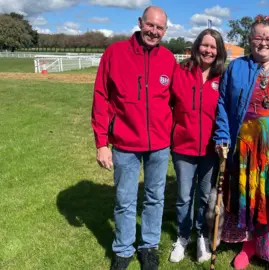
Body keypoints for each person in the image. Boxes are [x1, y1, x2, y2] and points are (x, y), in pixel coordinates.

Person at [91, 6, 176, 270]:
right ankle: (123, 249)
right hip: (125, 143)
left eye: (159, 28)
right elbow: (101, 97)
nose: (154, 31)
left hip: (159, 145)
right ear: (140, 23)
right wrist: (101, 143)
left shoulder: (168, 59)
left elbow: (175, 100)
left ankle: (148, 246)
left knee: (155, 197)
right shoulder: (114, 53)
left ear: (165, 30)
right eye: (150, 25)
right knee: (125, 200)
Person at [214, 15, 269, 270]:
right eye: (258, 38)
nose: (263, 43)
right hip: (244, 148)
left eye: (268, 38)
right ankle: (248, 246)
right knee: (246, 198)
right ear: (250, 40)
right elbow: (223, 104)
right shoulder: (237, 68)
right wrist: (223, 135)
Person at [167, 29, 227, 263]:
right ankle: (182, 237)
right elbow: (167, 104)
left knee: (204, 196)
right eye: (205, 45)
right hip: (182, 147)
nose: (208, 50)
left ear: (219, 51)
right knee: (183, 196)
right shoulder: (181, 71)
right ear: (197, 46)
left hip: (210, 150)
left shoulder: (222, 77)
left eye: (213, 47)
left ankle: (202, 235)